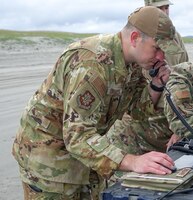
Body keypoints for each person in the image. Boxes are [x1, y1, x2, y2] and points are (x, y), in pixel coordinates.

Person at [12, 6, 183, 199]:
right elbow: (77, 136)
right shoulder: (91, 65)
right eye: (157, 48)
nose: (161, 57)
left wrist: (156, 85)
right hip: (48, 163)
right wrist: (131, 161)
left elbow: (136, 111)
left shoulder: (134, 64)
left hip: (85, 157)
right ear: (135, 38)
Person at [107, 44, 193, 157]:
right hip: (131, 144)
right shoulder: (179, 82)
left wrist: (184, 132)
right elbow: (182, 124)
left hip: (159, 147)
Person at [107, 0, 189, 157]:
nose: (164, 13)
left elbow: (184, 81)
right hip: (135, 131)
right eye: (159, 8)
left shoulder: (174, 39)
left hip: (166, 128)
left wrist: (181, 126)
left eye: (166, 7)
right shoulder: (134, 45)